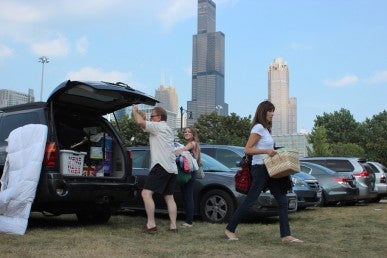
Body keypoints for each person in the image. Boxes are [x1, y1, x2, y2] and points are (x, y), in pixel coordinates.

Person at [224, 100, 304, 243]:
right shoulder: (258, 128)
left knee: (282, 200)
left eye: (273, 111)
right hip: (260, 169)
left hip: (271, 169)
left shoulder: (266, 129)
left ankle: (286, 235)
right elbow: (247, 149)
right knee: (250, 200)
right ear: (263, 112)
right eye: (270, 111)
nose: (272, 113)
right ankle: (230, 229)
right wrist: (266, 150)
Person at [132, 105, 178, 233]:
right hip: (172, 168)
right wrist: (145, 118)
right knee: (169, 197)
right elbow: (144, 125)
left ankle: (151, 225)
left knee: (146, 193)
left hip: (160, 166)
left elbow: (140, 122)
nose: (151, 118)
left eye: (152, 116)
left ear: (159, 117)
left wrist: (135, 111)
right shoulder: (168, 128)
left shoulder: (158, 127)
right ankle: (173, 226)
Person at [175, 126, 201, 228]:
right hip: (188, 172)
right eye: (185, 132)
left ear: (193, 134)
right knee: (186, 196)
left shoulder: (192, 144)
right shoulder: (190, 144)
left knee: (188, 196)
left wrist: (172, 152)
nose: (186, 133)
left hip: (189, 172)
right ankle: (188, 220)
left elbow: (181, 151)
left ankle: (189, 221)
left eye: (189, 132)